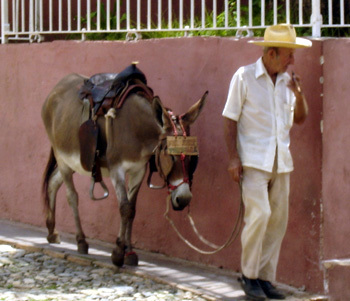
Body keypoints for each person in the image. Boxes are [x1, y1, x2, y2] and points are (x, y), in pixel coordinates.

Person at [222, 24, 312, 300]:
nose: (292, 60)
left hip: (281, 161)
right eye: (288, 54)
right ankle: (248, 276)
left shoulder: (287, 82)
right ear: (271, 53)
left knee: (277, 222)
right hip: (253, 161)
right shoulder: (245, 77)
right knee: (259, 215)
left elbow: (300, 119)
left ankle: (264, 278)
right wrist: (233, 159)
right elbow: (229, 118)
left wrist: (299, 95)